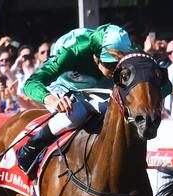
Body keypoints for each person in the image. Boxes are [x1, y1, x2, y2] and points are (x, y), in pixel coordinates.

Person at [16, 24, 141, 175]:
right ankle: (32, 146)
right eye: (110, 64)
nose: (116, 70)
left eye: (121, 64)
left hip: (97, 87)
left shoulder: (132, 52)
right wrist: (53, 100)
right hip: (64, 83)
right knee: (75, 114)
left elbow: (165, 84)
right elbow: (31, 83)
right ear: (96, 56)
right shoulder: (72, 52)